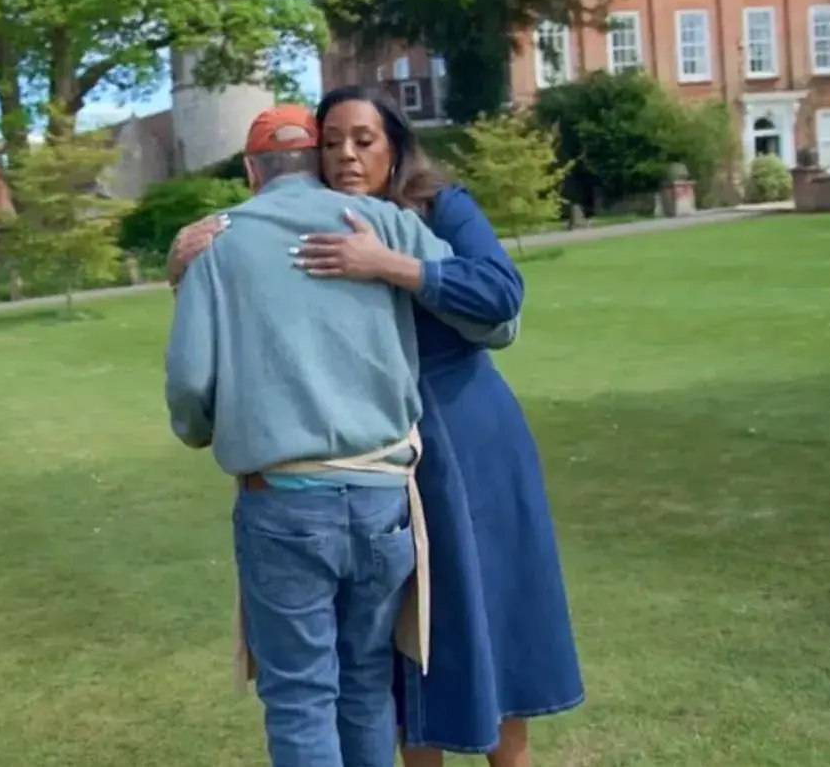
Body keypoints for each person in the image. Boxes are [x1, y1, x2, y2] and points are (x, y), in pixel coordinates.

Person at [167, 87, 584, 767]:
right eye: (331, 142)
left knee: (465, 629)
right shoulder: (350, 221)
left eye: (363, 140)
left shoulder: (425, 211)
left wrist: (387, 265)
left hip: (460, 444)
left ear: (395, 143)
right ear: (313, 154)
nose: (347, 156)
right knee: (382, 668)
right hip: (388, 467)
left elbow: (501, 308)